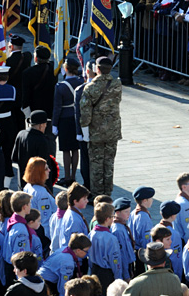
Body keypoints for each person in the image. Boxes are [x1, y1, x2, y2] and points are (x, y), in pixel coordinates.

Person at [79, 57, 122, 197]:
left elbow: (85, 113)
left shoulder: (90, 87)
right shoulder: (117, 84)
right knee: (109, 164)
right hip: (112, 131)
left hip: (96, 132)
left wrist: (85, 133)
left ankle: (98, 195)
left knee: (96, 165)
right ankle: (107, 193)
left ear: (96, 69)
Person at [52, 57, 84, 186]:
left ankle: (67, 177)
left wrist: (54, 124)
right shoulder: (81, 82)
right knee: (75, 149)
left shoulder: (60, 86)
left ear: (65, 69)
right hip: (77, 118)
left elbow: (57, 107)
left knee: (66, 150)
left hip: (64, 119)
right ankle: (73, 176)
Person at [12, 110, 54, 188]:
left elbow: (14, 158)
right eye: (45, 124)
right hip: (37, 185)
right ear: (41, 125)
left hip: (22, 182)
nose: (46, 126)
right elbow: (44, 165)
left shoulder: (21, 134)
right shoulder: (42, 140)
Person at [129, 186, 155, 276]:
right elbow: (145, 239)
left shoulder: (134, 212)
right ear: (145, 201)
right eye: (151, 198)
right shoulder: (143, 216)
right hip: (142, 253)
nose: (152, 200)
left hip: (135, 250)